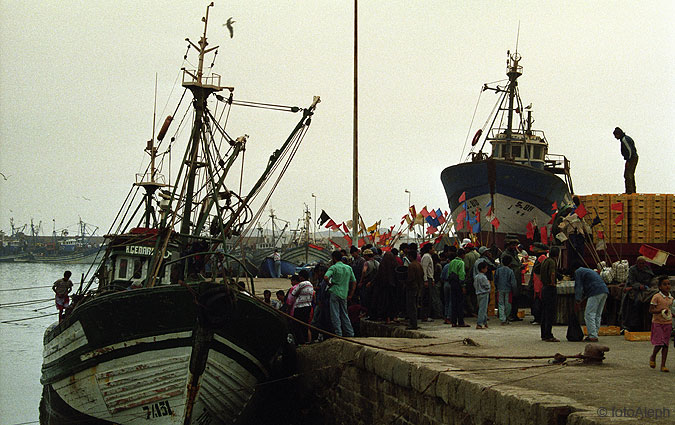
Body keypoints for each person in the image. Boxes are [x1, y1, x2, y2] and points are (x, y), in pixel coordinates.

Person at [323, 250, 356, 337]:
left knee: (335, 314)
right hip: (344, 293)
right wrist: (351, 294)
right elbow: (354, 281)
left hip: (334, 292)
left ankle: (338, 333)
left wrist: (329, 284)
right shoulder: (348, 268)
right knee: (345, 314)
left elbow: (326, 277)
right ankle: (350, 333)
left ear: (334, 258)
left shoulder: (333, 267)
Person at [573, 267, 609, 342]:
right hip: (604, 290)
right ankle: (595, 333)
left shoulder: (578, 272)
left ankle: (592, 336)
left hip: (595, 291)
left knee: (589, 314)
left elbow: (578, 287)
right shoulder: (588, 270)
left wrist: (578, 299)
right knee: (597, 314)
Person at [623, 256, 656, 331]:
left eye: (643, 263)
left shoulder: (647, 269)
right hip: (634, 288)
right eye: (640, 263)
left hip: (645, 288)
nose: (641, 265)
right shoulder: (632, 269)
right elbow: (631, 281)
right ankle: (632, 324)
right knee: (635, 302)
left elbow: (651, 278)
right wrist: (638, 286)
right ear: (637, 263)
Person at [648, 276, 672, 372]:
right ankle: (653, 356)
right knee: (659, 343)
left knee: (666, 344)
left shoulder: (671, 298)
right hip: (658, 322)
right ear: (660, 287)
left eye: (668, 284)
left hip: (668, 323)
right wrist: (660, 310)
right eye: (664, 284)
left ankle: (663, 365)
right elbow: (651, 310)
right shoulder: (656, 297)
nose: (667, 286)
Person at [540, 246, 560, 342]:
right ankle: (549, 335)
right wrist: (553, 283)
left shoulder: (545, 260)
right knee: (550, 312)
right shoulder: (552, 262)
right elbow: (552, 273)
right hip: (550, 288)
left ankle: (544, 334)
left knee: (544, 312)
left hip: (544, 288)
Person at [501, 239, 523, 321]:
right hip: (510, 279)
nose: (514, 247)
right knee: (510, 299)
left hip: (517, 278)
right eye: (513, 245)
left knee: (516, 297)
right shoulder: (505, 255)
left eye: (515, 245)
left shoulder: (515, 254)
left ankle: (514, 314)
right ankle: (509, 315)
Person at [290, 269, 314, 344]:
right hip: (308, 307)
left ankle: (300, 342)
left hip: (300, 307)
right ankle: (306, 340)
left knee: (296, 325)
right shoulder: (310, 284)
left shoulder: (301, 284)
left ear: (301, 277)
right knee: (304, 324)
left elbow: (293, 293)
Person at [447, 248, 469, 327]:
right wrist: (463, 286)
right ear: (463, 255)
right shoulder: (461, 263)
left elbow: (449, 273)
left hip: (452, 283)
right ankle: (461, 322)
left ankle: (453, 322)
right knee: (460, 303)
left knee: (454, 303)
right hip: (459, 284)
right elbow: (462, 275)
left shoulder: (452, 262)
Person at [612, 127, 638, 194]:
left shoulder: (624, 139)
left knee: (627, 175)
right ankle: (632, 192)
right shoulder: (625, 138)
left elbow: (629, 150)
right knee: (630, 175)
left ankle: (630, 192)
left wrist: (628, 160)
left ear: (618, 134)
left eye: (615, 135)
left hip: (632, 158)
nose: (615, 137)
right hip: (632, 158)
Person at [405, 249, 424, 330]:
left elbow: (410, 278)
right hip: (418, 287)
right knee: (415, 305)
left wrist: (405, 283)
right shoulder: (419, 265)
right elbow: (422, 274)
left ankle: (413, 324)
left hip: (412, 288)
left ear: (410, 257)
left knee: (411, 306)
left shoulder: (411, 265)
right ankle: (414, 323)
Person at [495, 255, 517, 325]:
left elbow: (495, 279)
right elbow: (513, 282)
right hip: (508, 290)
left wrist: (496, 286)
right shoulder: (510, 271)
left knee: (501, 304)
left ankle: (502, 318)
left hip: (500, 289)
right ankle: (506, 317)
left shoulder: (498, 270)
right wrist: (514, 290)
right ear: (510, 263)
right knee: (508, 304)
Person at [419, 243, 434, 322]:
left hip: (429, 278)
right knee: (426, 298)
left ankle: (426, 315)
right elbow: (424, 269)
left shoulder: (428, 256)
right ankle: (425, 315)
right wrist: (425, 280)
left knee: (428, 297)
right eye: (432, 248)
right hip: (427, 279)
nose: (433, 250)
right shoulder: (426, 257)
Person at [474, 262, 491, 329]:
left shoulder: (476, 277)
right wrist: (489, 284)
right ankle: (479, 323)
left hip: (478, 293)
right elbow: (486, 286)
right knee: (482, 309)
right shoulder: (483, 277)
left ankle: (485, 322)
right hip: (484, 293)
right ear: (482, 269)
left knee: (482, 308)